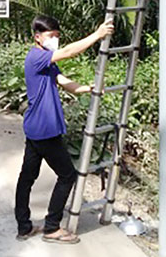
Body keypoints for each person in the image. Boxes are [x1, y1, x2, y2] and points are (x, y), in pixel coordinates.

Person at [14, 15, 114, 245]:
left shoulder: (46, 63)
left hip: (35, 129)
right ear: (37, 37)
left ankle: (24, 226)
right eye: (51, 36)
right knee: (67, 175)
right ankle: (51, 227)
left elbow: (65, 82)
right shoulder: (37, 57)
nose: (55, 40)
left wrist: (88, 88)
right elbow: (69, 51)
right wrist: (97, 35)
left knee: (27, 177)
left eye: (57, 36)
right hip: (45, 131)